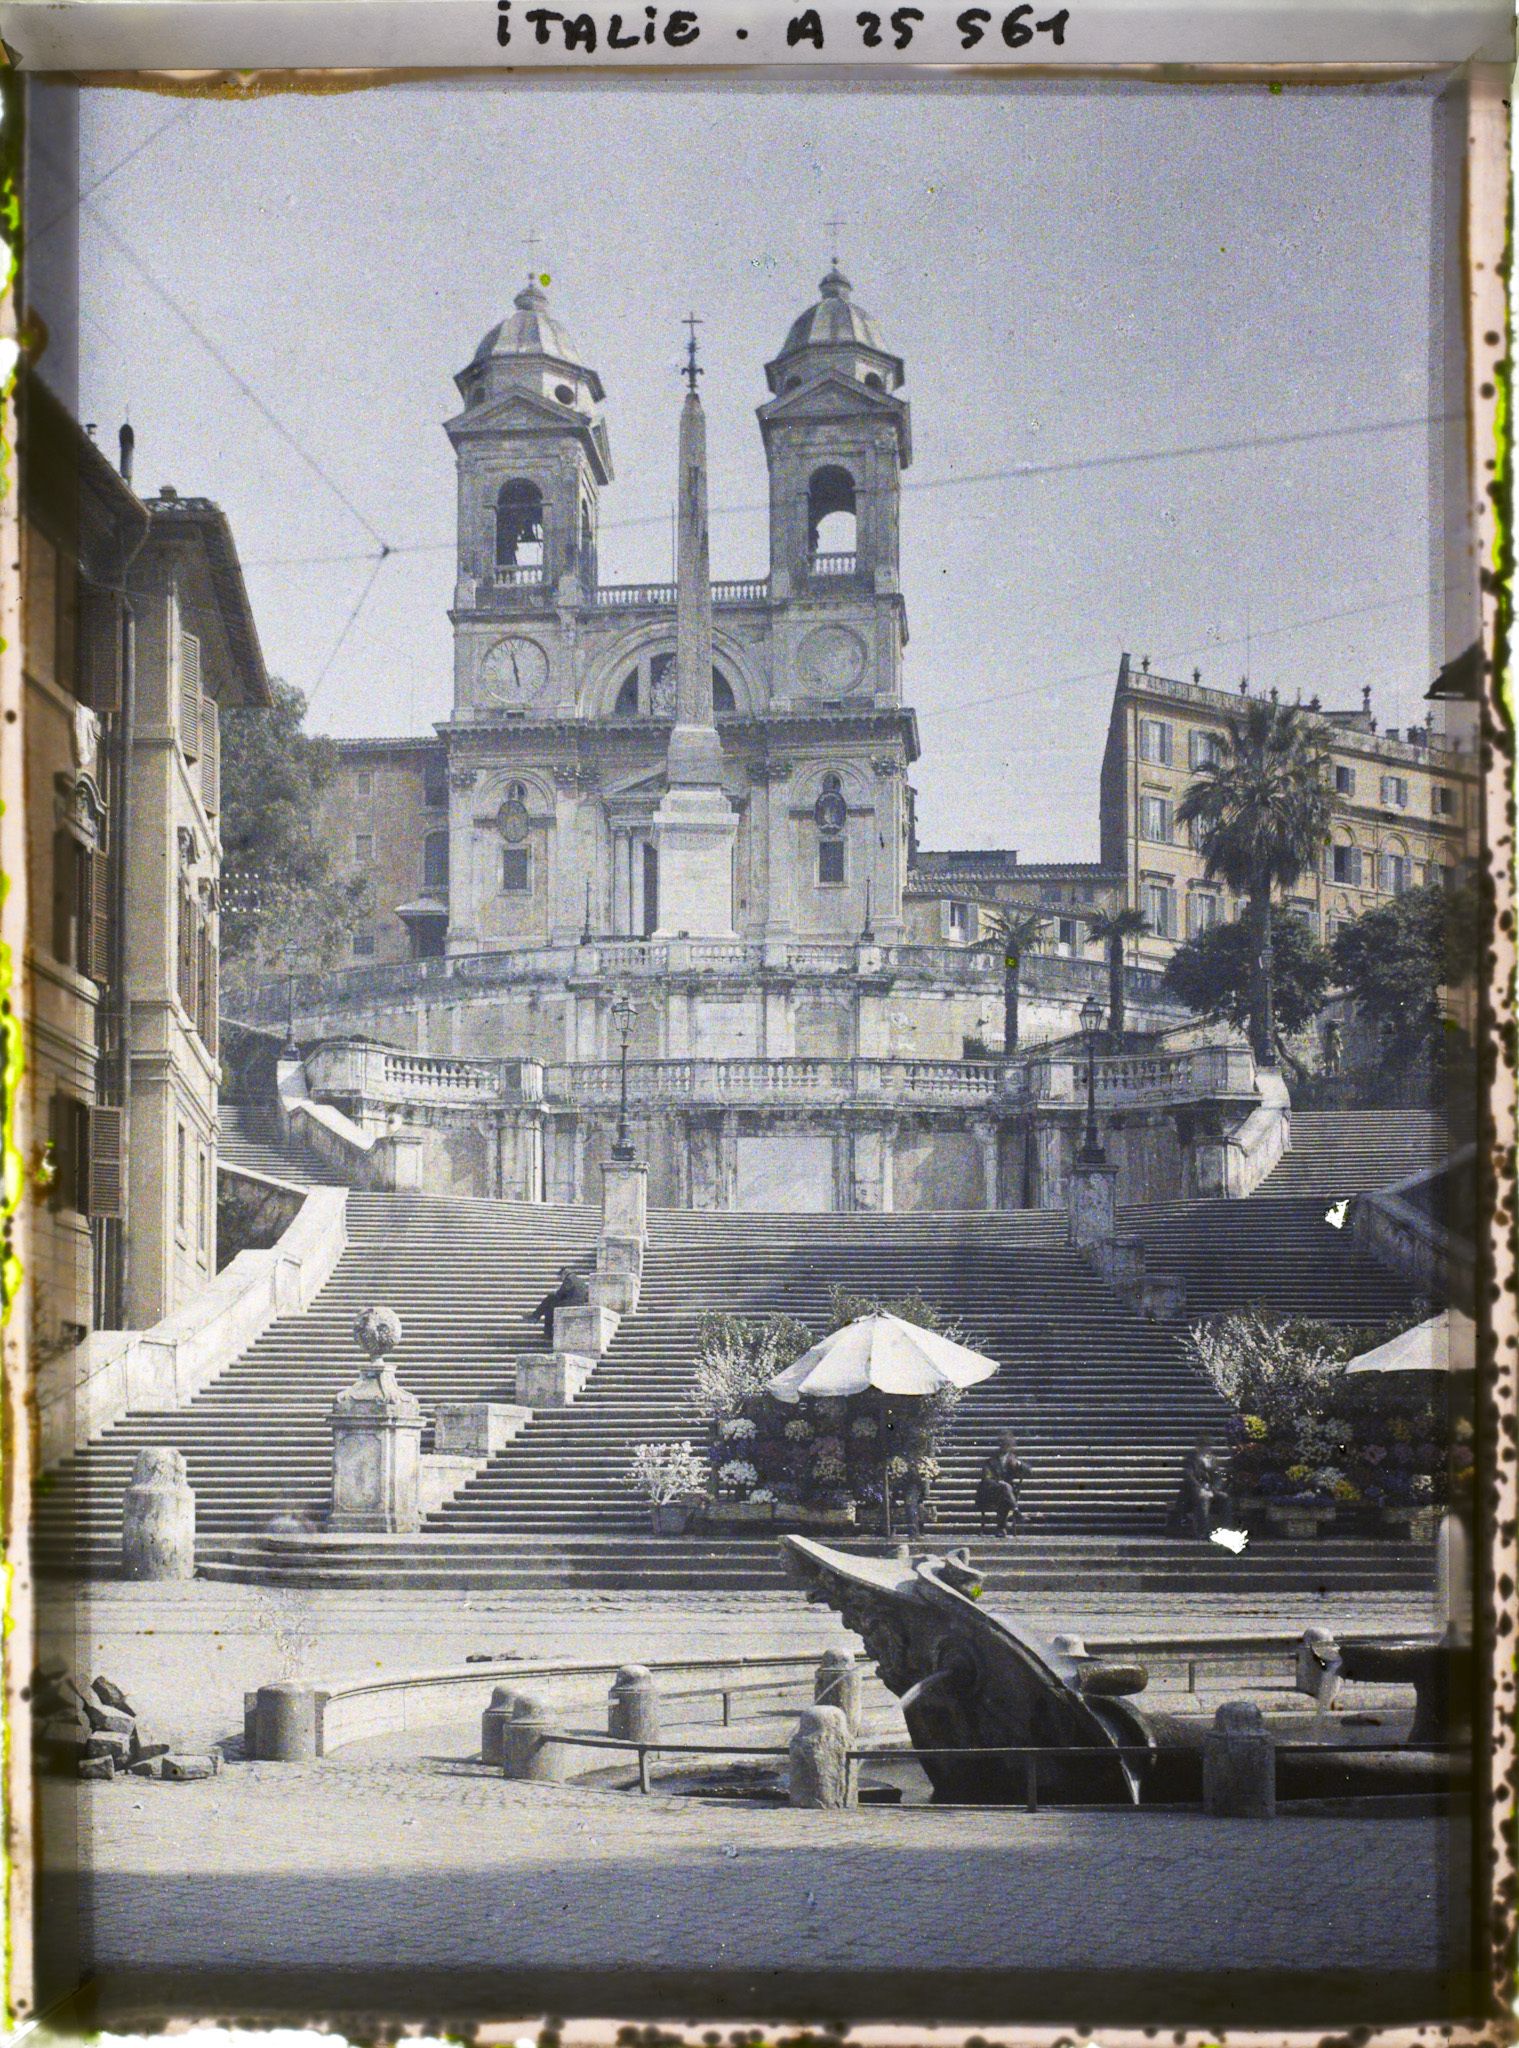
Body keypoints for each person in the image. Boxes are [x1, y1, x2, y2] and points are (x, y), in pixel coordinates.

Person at [1166, 1435, 1232, 1539]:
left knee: (1225, 1498)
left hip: (1210, 1489)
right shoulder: (1190, 1459)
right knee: (1203, 1500)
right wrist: (1200, 1489)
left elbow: (1218, 1477)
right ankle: (1203, 1531)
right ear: (1198, 1447)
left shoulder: (1213, 1459)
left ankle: (1226, 1529)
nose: (1208, 1449)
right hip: (1192, 1492)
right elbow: (1189, 1477)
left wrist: (1214, 1489)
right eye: (1205, 1446)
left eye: (1209, 1446)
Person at [975, 1432, 1029, 1537]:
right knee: (1005, 1488)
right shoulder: (991, 1460)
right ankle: (1016, 1511)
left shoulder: (1012, 1459)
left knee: (1005, 1494)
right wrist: (999, 1483)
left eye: (1008, 1445)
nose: (1006, 1448)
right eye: (1003, 1445)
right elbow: (986, 1478)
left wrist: (1018, 1464)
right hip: (990, 1493)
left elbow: (1029, 1471)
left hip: (1005, 1496)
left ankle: (1001, 1529)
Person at [531, 1264, 588, 1345]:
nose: (561, 1279)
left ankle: (539, 1321)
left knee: (549, 1306)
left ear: (564, 1273)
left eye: (561, 1276)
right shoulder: (581, 1281)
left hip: (570, 1304)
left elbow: (560, 1293)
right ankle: (536, 1317)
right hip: (578, 1303)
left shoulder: (569, 1279)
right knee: (550, 1302)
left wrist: (555, 1294)